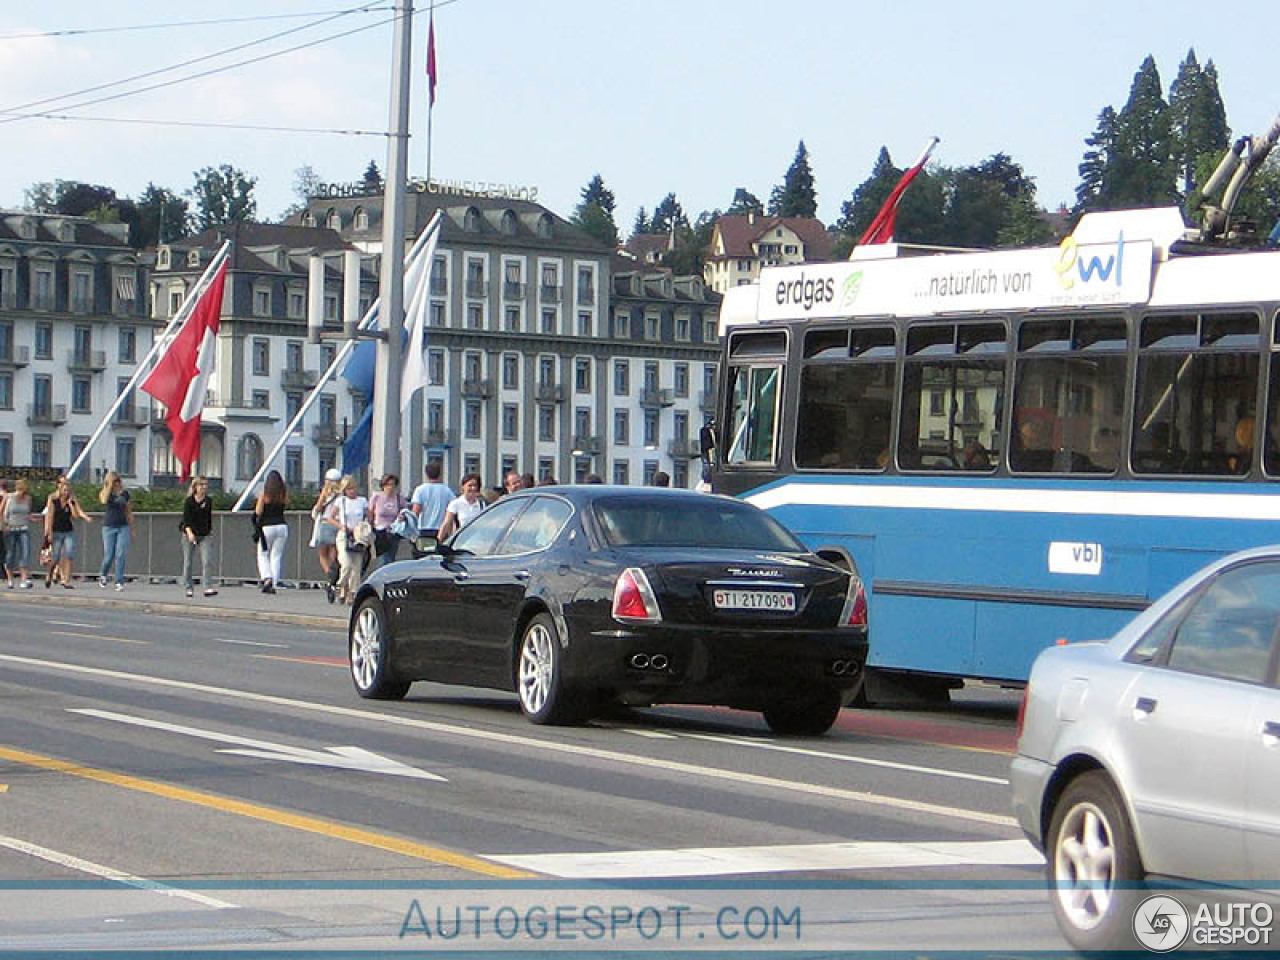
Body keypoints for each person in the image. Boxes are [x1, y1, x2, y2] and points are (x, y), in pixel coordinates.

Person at [325, 474, 369, 605]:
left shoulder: (362, 501)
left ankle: (353, 592)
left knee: (356, 566)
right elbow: (330, 517)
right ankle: (337, 586)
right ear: (344, 490)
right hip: (344, 535)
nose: (352, 491)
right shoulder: (341, 501)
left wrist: (365, 526)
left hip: (358, 536)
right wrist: (341, 526)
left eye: (354, 488)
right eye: (349, 489)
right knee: (346, 563)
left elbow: (368, 516)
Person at [44, 475, 90, 589]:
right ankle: (50, 574)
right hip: (56, 530)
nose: (66, 490)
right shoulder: (53, 499)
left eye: (67, 487)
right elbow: (50, 516)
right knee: (56, 557)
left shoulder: (72, 498)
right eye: (63, 486)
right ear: (58, 486)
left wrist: (71, 505)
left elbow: (75, 515)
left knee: (69, 554)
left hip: (68, 530)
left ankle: (66, 580)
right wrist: (48, 532)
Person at [180, 476, 217, 598]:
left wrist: (210, 532)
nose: (204, 487)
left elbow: (208, 518)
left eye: (205, 485)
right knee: (188, 561)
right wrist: (190, 533)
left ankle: (207, 587)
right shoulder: (189, 501)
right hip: (190, 534)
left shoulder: (208, 501)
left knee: (207, 560)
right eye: (201, 485)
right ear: (195, 487)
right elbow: (187, 520)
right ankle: (188, 587)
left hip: (204, 534)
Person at [310, 468, 343, 603]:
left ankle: (330, 576)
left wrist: (319, 503)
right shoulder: (342, 494)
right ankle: (335, 578)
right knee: (334, 553)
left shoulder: (325, 492)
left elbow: (318, 507)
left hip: (325, 523)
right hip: (337, 524)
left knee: (323, 553)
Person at [254, 469, 289, 594]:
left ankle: (267, 578)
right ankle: (274, 581)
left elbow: (258, 512)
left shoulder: (264, 494)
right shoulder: (283, 494)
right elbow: (286, 505)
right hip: (282, 526)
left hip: (267, 527)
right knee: (276, 555)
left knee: (263, 554)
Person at [97, 471, 134, 591]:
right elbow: (103, 500)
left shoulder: (125, 494)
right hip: (109, 526)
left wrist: (132, 529)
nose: (117, 483)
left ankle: (119, 581)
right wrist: (109, 485)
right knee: (109, 555)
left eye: (118, 481)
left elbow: (128, 511)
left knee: (120, 554)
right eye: (115, 481)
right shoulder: (106, 493)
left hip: (123, 526)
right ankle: (103, 574)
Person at [408, 460, 453, 557]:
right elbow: (451, 511)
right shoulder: (447, 490)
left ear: (426, 474)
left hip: (424, 529)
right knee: (438, 556)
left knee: (423, 556)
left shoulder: (420, 490)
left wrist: (411, 531)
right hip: (441, 530)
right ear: (440, 474)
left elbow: (416, 511)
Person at [369, 473, 406, 568]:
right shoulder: (376, 497)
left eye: (392, 484)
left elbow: (404, 512)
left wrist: (402, 517)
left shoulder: (399, 498)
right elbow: (370, 513)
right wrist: (371, 527)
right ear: (383, 486)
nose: (390, 487)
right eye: (388, 485)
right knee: (383, 558)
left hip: (393, 531)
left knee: (391, 558)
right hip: (380, 531)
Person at [3, 478, 34, 589]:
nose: (21, 493)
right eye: (20, 490)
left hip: (24, 528)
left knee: (25, 553)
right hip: (11, 528)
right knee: (11, 554)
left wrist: (32, 518)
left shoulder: (28, 499)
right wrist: (4, 525)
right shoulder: (9, 497)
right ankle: (10, 579)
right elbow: (4, 512)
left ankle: (23, 579)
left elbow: (27, 513)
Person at [438, 473, 485, 540]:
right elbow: (446, 523)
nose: (473, 488)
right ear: (463, 487)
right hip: (460, 541)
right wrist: (439, 540)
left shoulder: (482, 504)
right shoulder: (455, 504)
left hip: (477, 541)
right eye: (470, 485)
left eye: (475, 485)